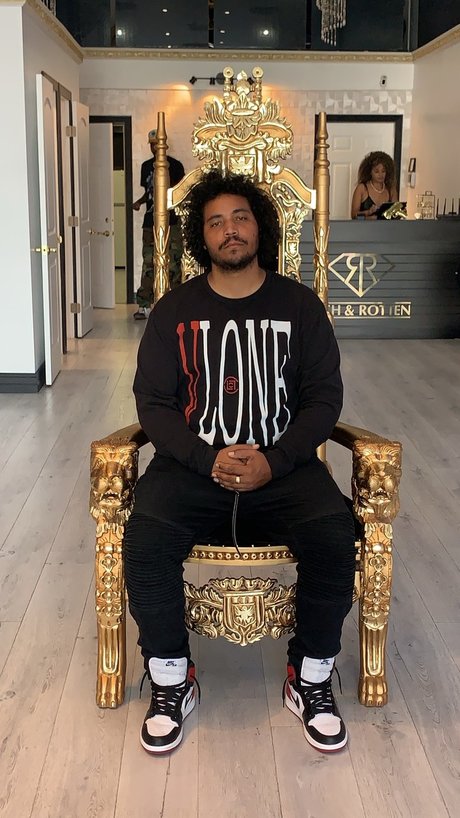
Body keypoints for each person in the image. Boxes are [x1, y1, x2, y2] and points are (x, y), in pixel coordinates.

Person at [124, 170, 356, 756]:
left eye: (241, 218)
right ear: (201, 237)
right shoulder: (174, 311)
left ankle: (309, 676)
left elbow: (323, 398)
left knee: (335, 536)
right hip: (192, 468)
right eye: (216, 222)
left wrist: (275, 461)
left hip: (284, 467)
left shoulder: (299, 306)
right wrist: (206, 459)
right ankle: (172, 680)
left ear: (260, 228)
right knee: (145, 539)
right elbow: (153, 403)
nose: (230, 230)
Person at [132, 129, 185, 319]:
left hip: (172, 222)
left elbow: (180, 191)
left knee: (174, 263)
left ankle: (176, 304)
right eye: (152, 144)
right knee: (149, 263)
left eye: (157, 143)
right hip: (150, 222)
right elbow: (150, 192)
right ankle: (144, 304)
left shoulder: (175, 166)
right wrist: (140, 202)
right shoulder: (146, 166)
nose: (155, 147)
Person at [351, 151, 397, 220]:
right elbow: (354, 215)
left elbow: (395, 215)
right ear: (370, 172)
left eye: (383, 171)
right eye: (376, 171)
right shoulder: (362, 188)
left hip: (386, 227)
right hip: (364, 226)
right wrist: (368, 213)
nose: (380, 174)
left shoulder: (391, 190)